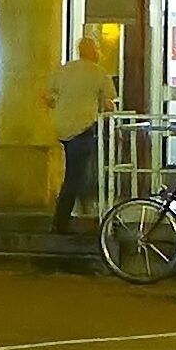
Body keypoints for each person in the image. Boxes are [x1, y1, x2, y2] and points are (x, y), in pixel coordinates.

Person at [47, 31, 114, 238]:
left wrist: (59, 107)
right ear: (92, 51)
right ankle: (63, 221)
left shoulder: (64, 70)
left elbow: (47, 96)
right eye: (97, 49)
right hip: (83, 129)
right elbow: (109, 102)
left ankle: (76, 214)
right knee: (76, 176)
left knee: (75, 172)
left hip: (63, 129)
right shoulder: (98, 73)